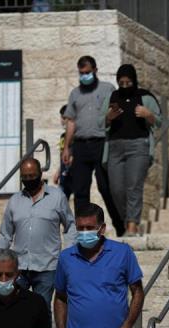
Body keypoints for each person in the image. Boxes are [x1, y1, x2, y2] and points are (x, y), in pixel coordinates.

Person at [54, 203, 144, 328]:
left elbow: (138, 292)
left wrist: (126, 327)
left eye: (89, 228)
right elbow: (60, 298)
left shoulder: (123, 253)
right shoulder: (66, 258)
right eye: (80, 228)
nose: (84, 233)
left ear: (102, 228)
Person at [0, 157, 77, 320]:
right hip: (19, 266)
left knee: (41, 308)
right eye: (24, 177)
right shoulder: (14, 201)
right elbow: (5, 234)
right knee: (16, 308)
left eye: (32, 176)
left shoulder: (57, 197)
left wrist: (68, 253)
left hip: (47, 265)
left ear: (40, 174)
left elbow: (70, 225)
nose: (28, 180)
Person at [62, 55, 125, 237]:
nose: (84, 76)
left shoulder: (107, 89)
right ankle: (82, 230)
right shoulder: (75, 93)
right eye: (81, 73)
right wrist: (67, 147)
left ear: (95, 70)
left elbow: (116, 113)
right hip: (81, 145)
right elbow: (71, 121)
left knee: (106, 187)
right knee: (80, 189)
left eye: (88, 72)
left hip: (102, 143)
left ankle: (120, 227)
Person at [102, 64, 162, 236]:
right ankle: (127, 219)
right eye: (122, 83)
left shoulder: (145, 96)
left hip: (138, 145)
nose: (125, 86)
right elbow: (100, 122)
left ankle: (132, 226)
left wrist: (147, 114)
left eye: (129, 82)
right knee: (116, 189)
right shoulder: (112, 96)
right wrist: (108, 118)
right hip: (115, 147)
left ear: (134, 81)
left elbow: (159, 121)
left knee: (134, 186)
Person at [53, 104, 73, 200]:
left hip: (74, 175)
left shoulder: (77, 136)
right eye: (61, 117)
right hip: (64, 175)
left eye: (65, 118)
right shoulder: (62, 136)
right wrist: (58, 171)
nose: (62, 121)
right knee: (61, 202)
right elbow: (62, 157)